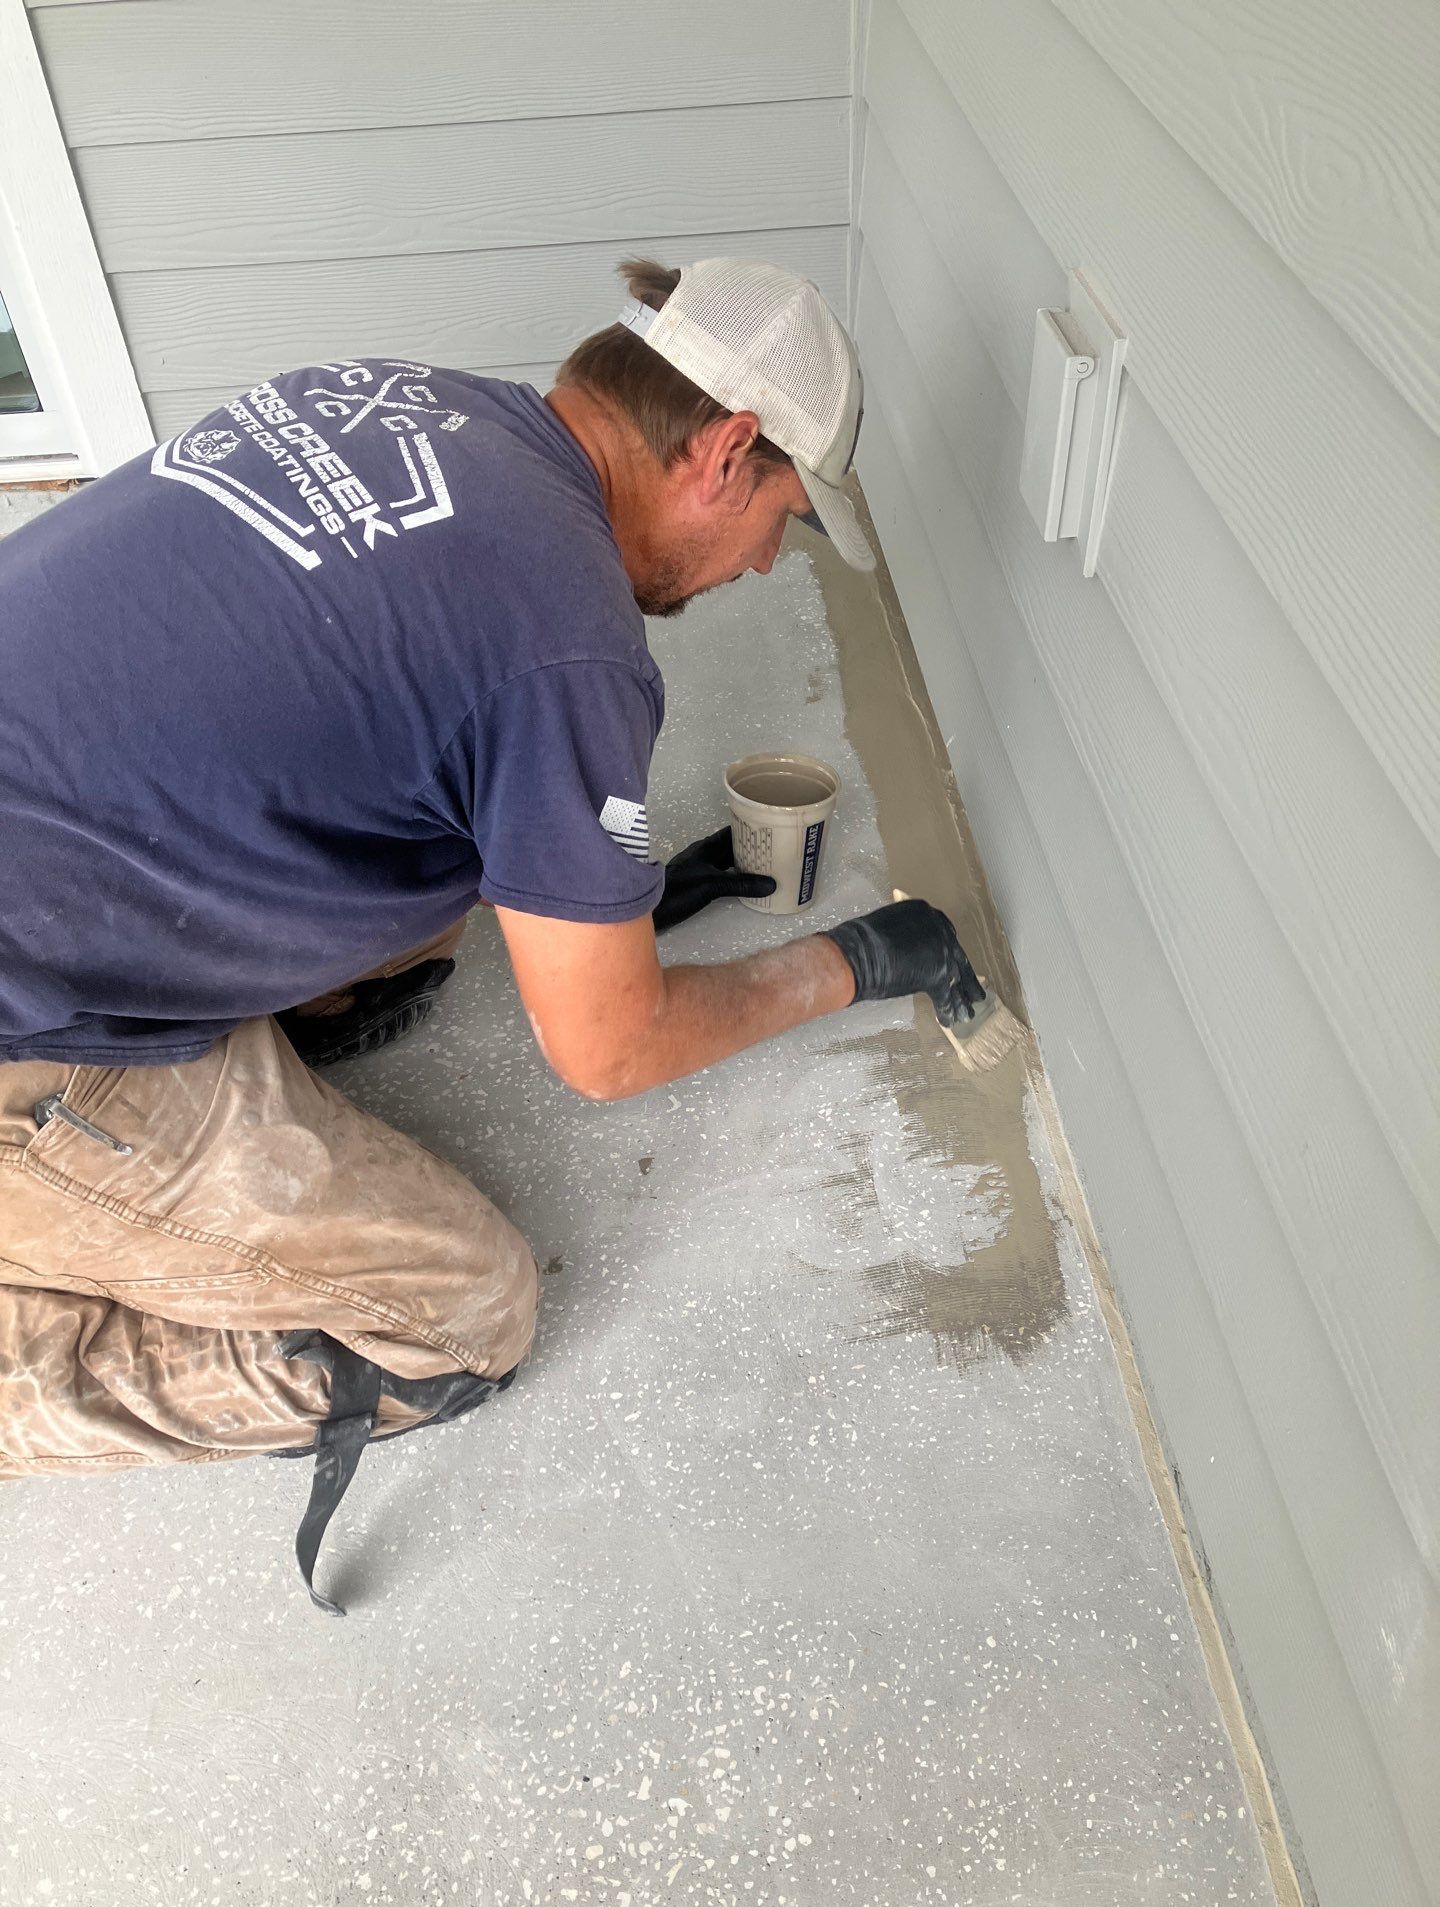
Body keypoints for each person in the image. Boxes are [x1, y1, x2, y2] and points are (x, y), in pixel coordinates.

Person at [0, 257, 986, 1610]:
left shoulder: (405, 396)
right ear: (727, 448)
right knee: (460, 1314)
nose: (767, 559)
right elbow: (608, 1047)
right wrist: (854, 960)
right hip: (31, 1036)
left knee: (433, 892)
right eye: (783, 516)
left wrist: (622, 881)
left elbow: (401, 704)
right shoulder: (565, 643)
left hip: (47, 846)